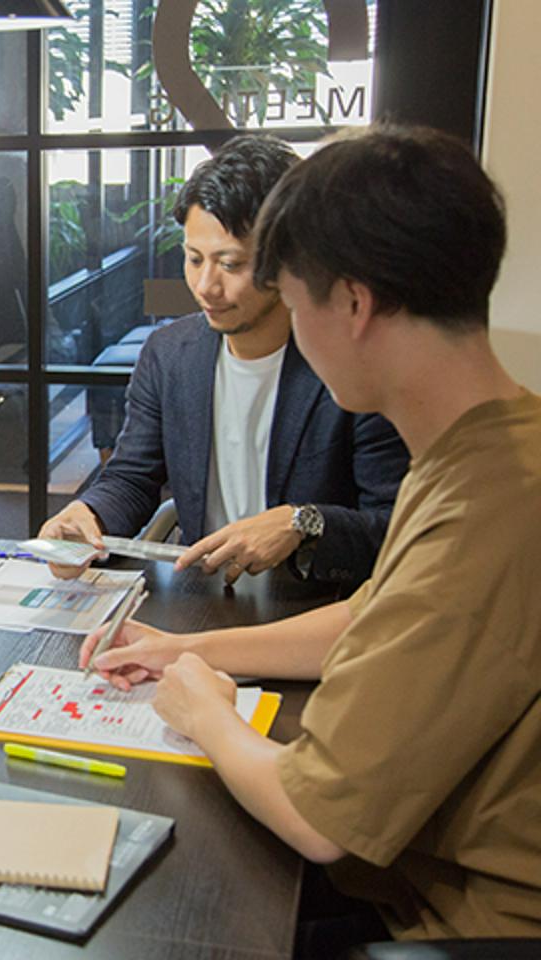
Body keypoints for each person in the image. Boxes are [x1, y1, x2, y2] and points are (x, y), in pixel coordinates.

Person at [83, 126, 541, 948]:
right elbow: (370, 621)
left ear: (354, 305)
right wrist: (188, 653)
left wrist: (206, 710)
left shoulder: (488, 508)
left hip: (457, 922)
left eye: (293, 300)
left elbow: (315, 815)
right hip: (412, 871)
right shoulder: (490, 451)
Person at [41, 135, 408, 586]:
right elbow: (133, 477)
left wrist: (302, 523)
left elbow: (395, 527)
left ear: (289, 259)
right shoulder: (169, 355)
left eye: (230, 264)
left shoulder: (352, 369)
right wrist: (86, 515)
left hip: (317, 613)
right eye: (194, 259)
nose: (206, 287)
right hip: (208, 602)